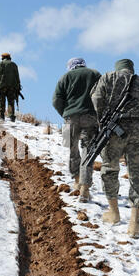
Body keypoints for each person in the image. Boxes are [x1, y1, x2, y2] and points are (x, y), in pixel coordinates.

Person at [90, 59, 139, 239]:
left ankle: (114, 212)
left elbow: (96, 98)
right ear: (132, 69)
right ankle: (134, 223)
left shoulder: (107, 78)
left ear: (117, 69)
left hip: (113, 133)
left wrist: (103, 119)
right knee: (137, 174)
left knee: (109, 169)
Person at [53, 58, 101, 203]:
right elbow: (103, 94)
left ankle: (76, 181)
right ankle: (85, 189)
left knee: (72, 149)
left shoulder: (65, 77)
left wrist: (65, 114)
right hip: (91, 117)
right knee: (88, 152)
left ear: (70, 67)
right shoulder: (95, 74)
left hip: (70, 118)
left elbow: (56, 100)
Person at [0, 53, 21, 122]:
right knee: (11, 101)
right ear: (9, 57)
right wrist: (18, 86)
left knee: (2, 101)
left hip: (2, 86)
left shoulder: (0, 64)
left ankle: (2, 116)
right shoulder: (14, 65)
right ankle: (11, 117)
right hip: (12, 86)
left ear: (3, 57)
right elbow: (17, 76)